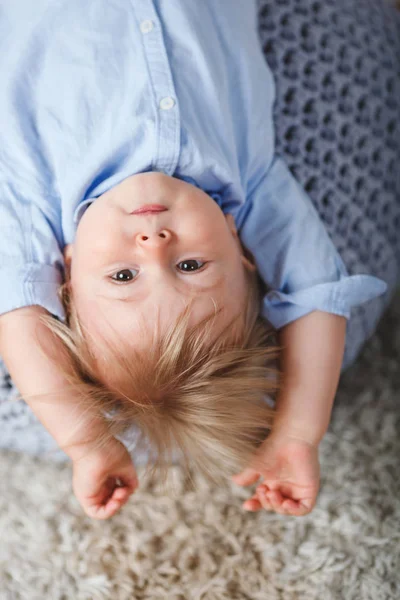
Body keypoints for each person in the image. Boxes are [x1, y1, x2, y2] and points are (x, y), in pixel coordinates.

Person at [0, 0, 393, 520]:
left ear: (65, 275)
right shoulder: (250, 184)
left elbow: (17, 316)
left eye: (123, 276)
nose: (155, 244)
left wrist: (87, 443)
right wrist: (298, 432)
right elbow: (318, 294)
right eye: (191, 267)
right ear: (242, 248)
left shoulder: (35, 198)